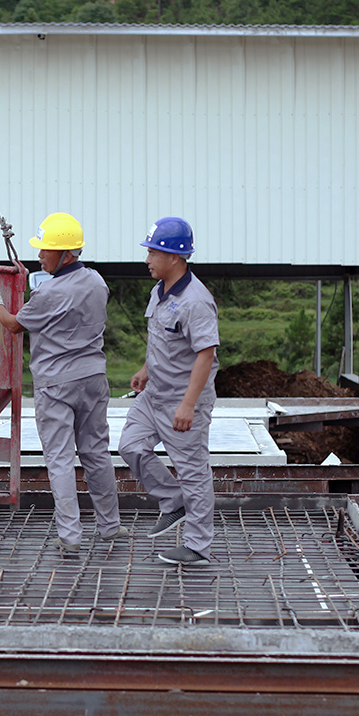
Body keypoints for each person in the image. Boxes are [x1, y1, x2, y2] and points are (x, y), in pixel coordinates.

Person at [0, 212, 125, 553]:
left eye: (46, 250)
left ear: (67, 255)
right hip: (92, 378)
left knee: (59, 458)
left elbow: (15, 325)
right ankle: (110, 526)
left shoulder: (48, 295)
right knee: (96, 454)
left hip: (56, 384)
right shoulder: (97, 282)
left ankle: (71, 537)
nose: (40, 255)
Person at [117, 217, 219, 567]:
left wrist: (189, 404)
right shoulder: (158, 292)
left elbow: (206, 354)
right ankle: (172, 501)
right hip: (154, 394)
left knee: (193, 471)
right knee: (130, 446)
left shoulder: (196, 301)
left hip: (182, 399)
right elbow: (163, 338)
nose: (147, 258)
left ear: (174, 256)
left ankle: (197, 546)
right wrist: (146, 369)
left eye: (153, 252)